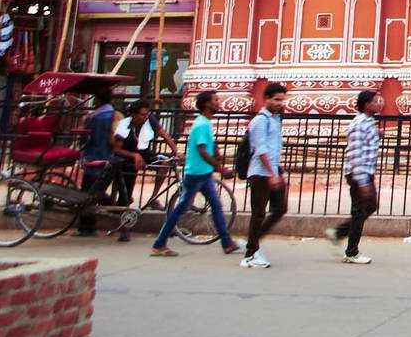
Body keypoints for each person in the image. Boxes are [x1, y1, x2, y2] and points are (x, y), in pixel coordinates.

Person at [151, 89, 237, 257]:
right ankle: (159, 243)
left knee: (215, 207)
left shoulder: (205, 123)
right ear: (207, 104)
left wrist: (217, 154)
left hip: (203, 173)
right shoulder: (201, 124)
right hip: (197, 173)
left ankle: (227, 242)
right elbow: (203, 151)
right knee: (182, 209)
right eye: (215, 100)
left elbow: (208, 147)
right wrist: (221, 168)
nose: (218, 103)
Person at [326, 89, 381, 264]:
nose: (379, 103)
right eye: (375, 101)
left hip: (365, 172)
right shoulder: (359, 124)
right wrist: (362, 180)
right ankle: (351, 251)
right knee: (360, 211)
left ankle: (339, 233)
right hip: (360, 173)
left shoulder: (368, 122)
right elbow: (356, 153)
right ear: (366, 105)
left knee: (369, 206)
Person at [241, 82, 288, 269]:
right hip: (261, 173)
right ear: (266, 98)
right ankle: (250, 254)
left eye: (282, 100)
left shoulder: (275, 119)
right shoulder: (260, 121)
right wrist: (271, 173)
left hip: (271, 171)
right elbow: (261, 150)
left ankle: (253, 242)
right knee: (258, 213)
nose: (279, 103)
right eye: (276, 99)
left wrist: (276, 172)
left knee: (279, 209)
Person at [76, 86, 119, 238]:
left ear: (98, 100)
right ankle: (118, 216)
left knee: (88, 194)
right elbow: (114, 139)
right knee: (96, 193)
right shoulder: (115, 115)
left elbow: (84, 139)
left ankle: (86, 228)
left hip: (92, 159)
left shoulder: (92, 117)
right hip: (107, 158)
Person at [109, 99, 153, 228]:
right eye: (142, 115)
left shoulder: (148, 124)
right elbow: (116, 149)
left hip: (135, 160)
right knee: (125, 195)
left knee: (127, 194)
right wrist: (134, 155)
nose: (145, 118)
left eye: (147, 114)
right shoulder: (124, 125)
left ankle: (152, 199)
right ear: (134, 115)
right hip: (122, 161)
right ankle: (123, 227)